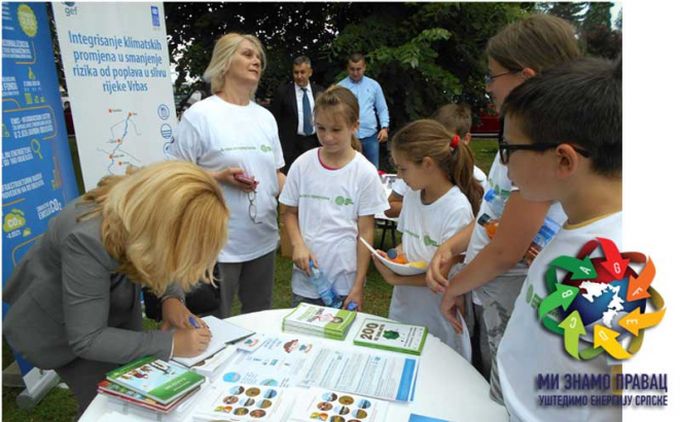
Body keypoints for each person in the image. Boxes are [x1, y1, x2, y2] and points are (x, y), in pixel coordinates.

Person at [427, 14, 581, 396]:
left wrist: (454, 287)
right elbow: (494, 214)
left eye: (492, 77)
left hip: (517, 302)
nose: (489, 88)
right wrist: (453, 246)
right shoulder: (521, 135)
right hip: (493, 294)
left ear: (525, 77)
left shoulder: (541, 147)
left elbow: (507, 247)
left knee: (507, 393)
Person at [2, 161, 228, 415]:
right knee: (109, 406)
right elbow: (88, 339)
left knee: (131, 393)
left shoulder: (145, 202)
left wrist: (170, 298)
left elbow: (163, 249)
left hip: (107, 313)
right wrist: (170, 343)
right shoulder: (86, 239)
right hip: (60, 332)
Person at [496, 57, 622, 421]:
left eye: (509, 150)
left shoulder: (621, 265)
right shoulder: (581, 223)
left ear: (564, 161)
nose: (505, 165)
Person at [168, 33, 286, 318]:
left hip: (263, 239)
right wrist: (218, 176)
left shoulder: (265, 117)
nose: (256, 60)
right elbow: (173, 177)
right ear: (224, 62)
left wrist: (307, 195)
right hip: (217, 244)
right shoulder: (200, 115)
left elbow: (276, 174)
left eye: (258, 56)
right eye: (246, 54)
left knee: (260, 319)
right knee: (212, 323)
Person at [371, 119, 483, 357]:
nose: (400, 177)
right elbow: (408, 241)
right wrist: (393, 256)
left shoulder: (456, 208)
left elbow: (444, 275)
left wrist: (395, 279)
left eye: (403, 169)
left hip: (440, 315)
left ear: (428, 164)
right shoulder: (412, 196)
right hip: (406, 309)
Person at [280, 86, 389, 310]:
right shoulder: (302, 165)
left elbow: (366, 233)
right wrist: (298, 245)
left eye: (336, 130)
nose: (327, 137)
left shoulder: (365, 173)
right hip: (306, 283)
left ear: (354, 126)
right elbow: (289, 212)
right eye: (321, 128)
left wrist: (358, 285)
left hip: (345, 285)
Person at [385, 103, 488, 219]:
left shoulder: (475, 182)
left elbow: (480, 221)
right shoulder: (413, 188)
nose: (399, 175)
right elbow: (390, 207)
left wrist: (432, 208)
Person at [270, 55, 325, 174]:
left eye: (302, 72)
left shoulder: (319, 91)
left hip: (313, 142)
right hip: (291, 145)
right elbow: (274, 120)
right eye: (296, 73)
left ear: (310, 72)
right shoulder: (283, 92)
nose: (299, 76)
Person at [338, 53, 390, 168]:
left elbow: (382, 108)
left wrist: (384, 128)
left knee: (372, 170)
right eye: (352, 69)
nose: (355, 73)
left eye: (358, 69)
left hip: (371, 136)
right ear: (347, 68)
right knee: (349, 169)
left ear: (364, 67)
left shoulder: (374, 85)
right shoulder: (340, 88)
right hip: (349, 137)